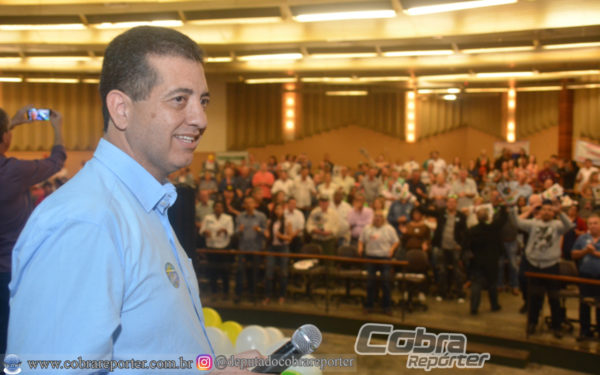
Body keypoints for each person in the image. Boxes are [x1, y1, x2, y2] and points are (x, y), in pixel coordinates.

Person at [7, 26, 258, 373]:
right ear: (121, 109)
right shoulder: (86, 222)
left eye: (203, 101)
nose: (200, 119)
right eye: (179, 99)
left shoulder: (143, 206)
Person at [0, 106, 66, 355]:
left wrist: (11, 125)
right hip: (10, 271)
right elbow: (56, 160)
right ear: (6, 137)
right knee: (11, 340)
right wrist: (57, 127)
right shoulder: (13, 171)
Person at [509, 199, 574, 338]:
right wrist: (524, 209)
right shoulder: (533, 224)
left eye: (550, 210)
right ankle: (532, 323)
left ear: (553, 213)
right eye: (544, 209)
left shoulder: (557, 225)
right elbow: (516, 222)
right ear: (540, 211)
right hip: (534, 265)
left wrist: (560, 212)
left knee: (554, 298)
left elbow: (569, 226)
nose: (546, 212)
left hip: (551, 266)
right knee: (534, 297)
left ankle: (556, 326)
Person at [467, 206, 507, 315]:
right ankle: (494, 305)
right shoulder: (493, 228)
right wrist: (504, 208)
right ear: (488, 217)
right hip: (492, 261)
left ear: (477, 217)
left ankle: (474, 308)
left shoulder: (472, 230)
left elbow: (467, 245)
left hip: (477, 261)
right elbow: (503, 220)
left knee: (476, 284)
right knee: (492, 284)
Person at [358, 210, 399, 315]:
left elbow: (396, 241)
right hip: (371, 258)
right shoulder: (367, 228)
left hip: (384, 258)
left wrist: (392, 250)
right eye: (376, 216)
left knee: (385, 282)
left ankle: (387, 306)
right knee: (370, 283)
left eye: (380, 216)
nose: (378, 218)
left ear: (383, 218)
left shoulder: (389, 229)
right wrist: (360, 247)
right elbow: (361, 240)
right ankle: (369, 305)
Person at [570, 213, 600, 341]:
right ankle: (584, 330)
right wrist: (585, 252)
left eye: (596, 223)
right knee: (584, 305)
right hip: (585, 276)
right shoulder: (582, 238)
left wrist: (595, 253)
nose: (593, 226)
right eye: (590, 224)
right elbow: (573, 254)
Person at [235, 196, 268, 303]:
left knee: (254, 273)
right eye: (246, 203)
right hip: (243, 248)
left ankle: (253, 295)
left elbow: (266, 233)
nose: (249, 205)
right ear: (244, 205)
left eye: (251, 203)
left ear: (255, 204)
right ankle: (238, 295)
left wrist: (259, 230)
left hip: (256, 249)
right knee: (240, 271)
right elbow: (235, 233)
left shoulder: (261, 216)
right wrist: (239, 231)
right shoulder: (240, 217)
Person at [201, 201, 234, 300]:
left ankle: (225, 292)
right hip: (211, 247)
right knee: (213, 271)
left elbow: (231, 232)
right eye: (216, 207)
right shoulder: (208, 218)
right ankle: (214, 292)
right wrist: (205, 232)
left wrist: (224, 230)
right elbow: (201, 231)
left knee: (225, 271)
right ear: (214, 208)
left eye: (220, 207)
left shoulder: (228, 218)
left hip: (223, 247)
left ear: (223, 209)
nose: (218, 209)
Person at [264, 203, 292, 305]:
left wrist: (281, 236)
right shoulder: (270, 222)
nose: (278, 210)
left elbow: (290, 237)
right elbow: (267, 233)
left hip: (283, 247)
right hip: (272, 247)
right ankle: (267, 296)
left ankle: (282, 296)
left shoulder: (287, 222)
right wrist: (266, 234)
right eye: (277, 209)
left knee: (283, 273)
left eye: (280, 208)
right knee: (269, 272)